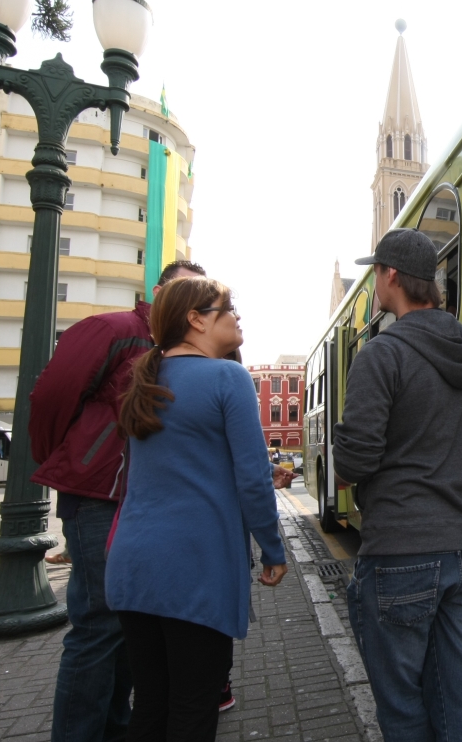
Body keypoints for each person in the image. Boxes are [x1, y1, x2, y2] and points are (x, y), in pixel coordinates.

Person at [333, 228, 462, 742]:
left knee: (402, 703)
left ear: (393, 277)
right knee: (461, 694)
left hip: (400, 552)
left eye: (376, 272)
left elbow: (353, 460)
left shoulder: (381, 356)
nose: (375, 282)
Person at [31, 260, 206, 742]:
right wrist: (74, 460)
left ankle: (117, 728)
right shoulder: (113, 329)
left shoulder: (184, 351)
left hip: (150, 504)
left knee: (134, 624)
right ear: (157, 290)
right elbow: (50, 398)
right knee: (99, 626)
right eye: (183, 290)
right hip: (99, 498)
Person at [106, 276, 286, 742]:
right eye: (228, 307)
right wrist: (273, 548)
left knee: (150, 704)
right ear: (196, 319)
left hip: (132, 566)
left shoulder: (145, 378)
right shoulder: (228, 377)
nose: (237, 316)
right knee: (193, 705)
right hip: (194, 567)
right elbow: (253, 478)